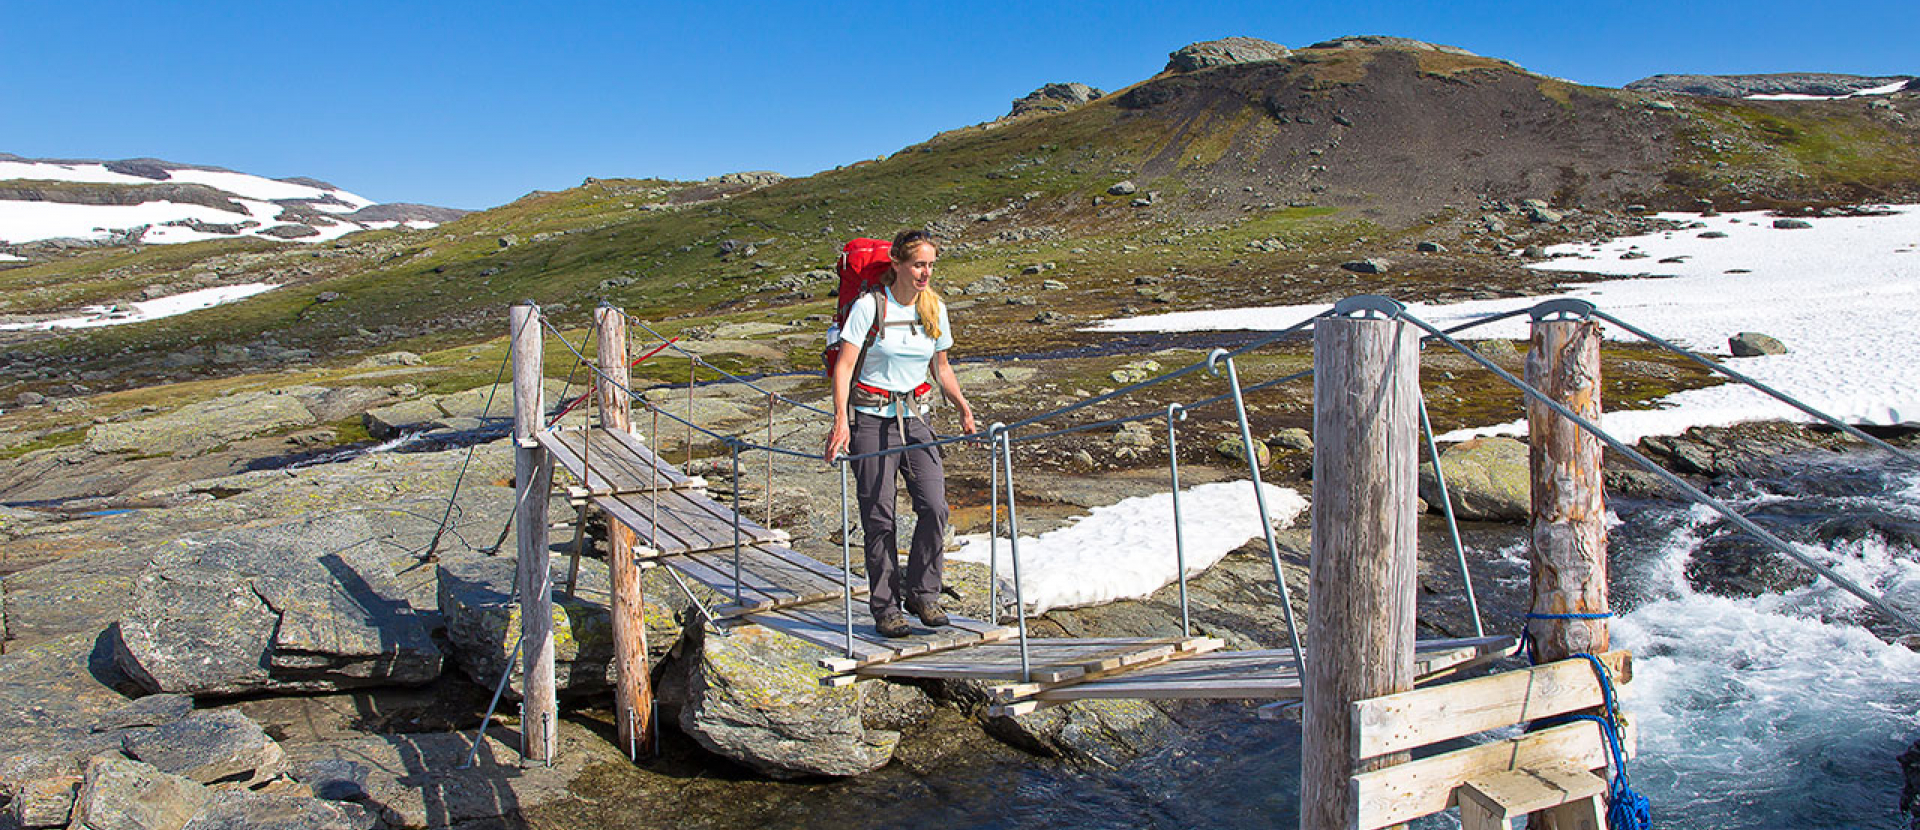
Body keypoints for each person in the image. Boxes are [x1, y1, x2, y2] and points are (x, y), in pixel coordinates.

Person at [824, 229, 976, 638]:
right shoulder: (869, 307)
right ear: (897, 264)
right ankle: (886, 607)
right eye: (918, 264)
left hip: (916, 417)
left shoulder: (934, 308)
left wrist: (961, 405)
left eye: (930, 265)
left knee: (935, 505)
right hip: (871, 419)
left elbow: (940, 366)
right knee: (879, 516)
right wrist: (840, 420)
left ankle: (923, 594)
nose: (925, 273)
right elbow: (843, 366)